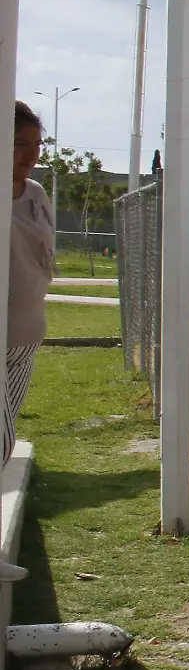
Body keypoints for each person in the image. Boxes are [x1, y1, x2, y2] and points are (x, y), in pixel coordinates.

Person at [6, 102, 50, 460]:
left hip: (27, 339)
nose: (32, 154)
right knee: (3, 441)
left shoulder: (36, 193)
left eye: (37, 144)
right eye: (22, 143)